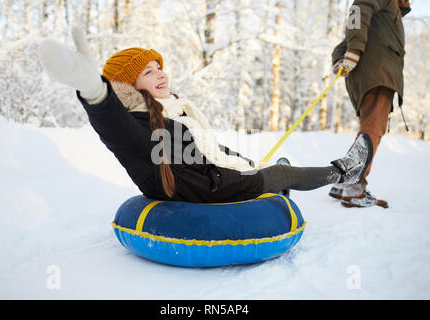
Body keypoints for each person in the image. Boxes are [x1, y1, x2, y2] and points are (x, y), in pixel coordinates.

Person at [38, 26, 373, 204]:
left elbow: (209, 152)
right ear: (130, 87)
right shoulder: (137, 124)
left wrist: (247, 162)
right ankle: (343, 172)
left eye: (160, 68)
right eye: (149, 72)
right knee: (282, 176)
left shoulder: (176, 112)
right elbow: (114, 127)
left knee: (271, 169)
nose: (162, 75)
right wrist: (95, 92)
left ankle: (275, 177)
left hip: (210, 179)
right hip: (202, 191)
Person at [329, 0, 411, 208]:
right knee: (373, 129)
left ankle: (342, 183)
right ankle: (354, 188)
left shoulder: (390, 13)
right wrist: (354, 50)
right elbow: (358, 8)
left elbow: (347, 37)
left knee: (369, 129)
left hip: (374, 73)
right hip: (377, 74)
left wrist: (341, 56)